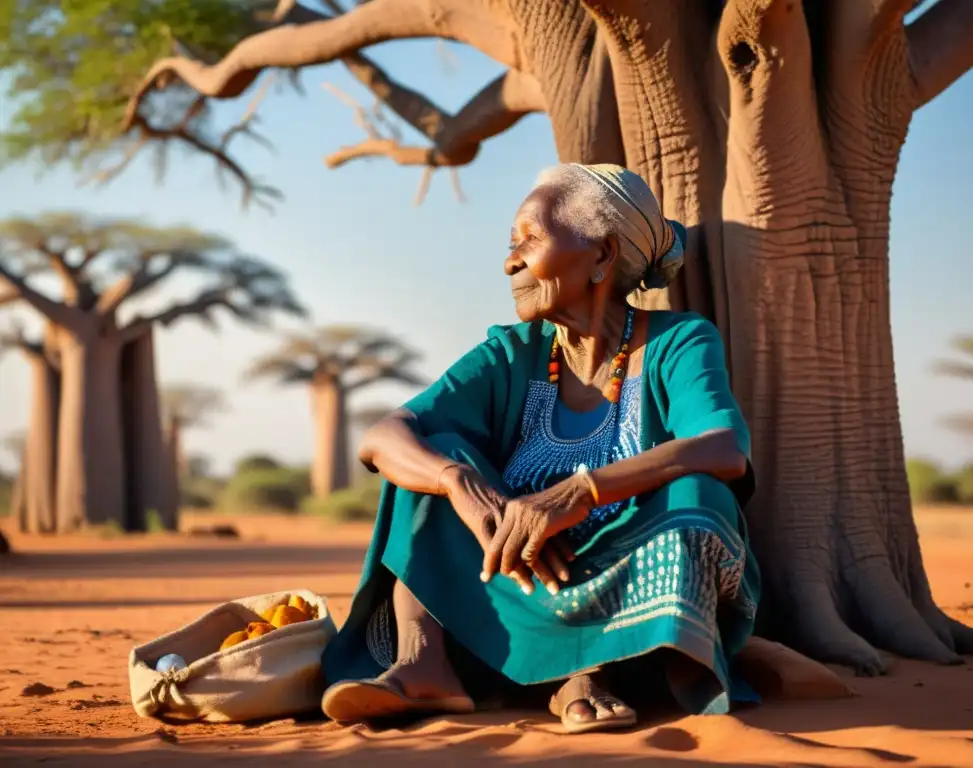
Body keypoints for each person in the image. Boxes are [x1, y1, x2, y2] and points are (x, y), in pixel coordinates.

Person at [320, 163, 761, 734]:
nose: (510, 261)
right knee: (432, 455)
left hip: (623, 578)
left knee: (698, 498)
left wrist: (579, 492)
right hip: (518, 574)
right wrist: (465, 486)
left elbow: (722, 446)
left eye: (529, 238)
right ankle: (425, 663)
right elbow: (384, 435)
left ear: (602, 256)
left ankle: (592, 671)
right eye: (511, 244)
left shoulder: (678, 341)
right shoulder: (510, 352)